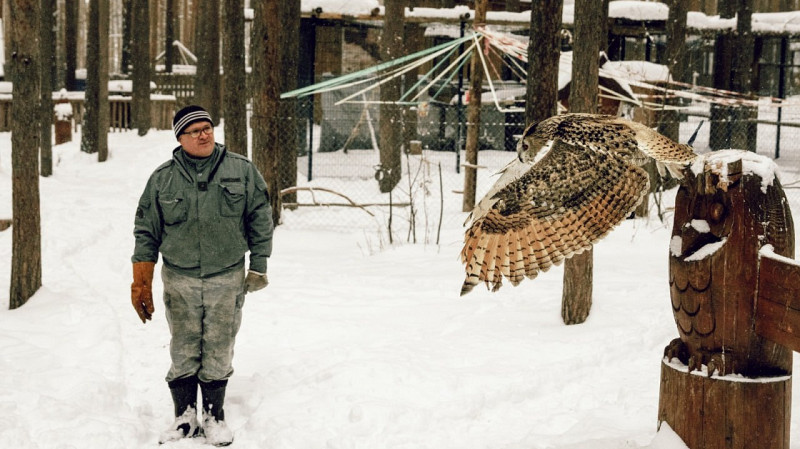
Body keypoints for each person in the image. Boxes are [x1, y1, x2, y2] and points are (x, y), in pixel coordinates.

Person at [130, 105, 273, 446]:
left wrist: (260, 264)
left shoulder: (241, 170)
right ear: (180, 138)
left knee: (219, 346)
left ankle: (213, 414)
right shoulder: (162, 178)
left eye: (207, 127)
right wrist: (141, 281)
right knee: (183, 346)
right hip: (180, 278)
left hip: (227, 275)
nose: (204, 134)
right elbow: (146, 231)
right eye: (194, 130)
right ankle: (184, 416)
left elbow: (260, 217)